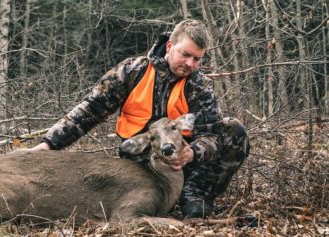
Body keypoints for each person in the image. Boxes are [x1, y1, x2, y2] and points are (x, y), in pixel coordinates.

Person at [31, 19, 250, 218]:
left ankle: (194, 194)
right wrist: (49, 143)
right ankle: (142, 199)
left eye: (197, 59)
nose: (191, 64)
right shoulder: (132, 71)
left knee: (232, 129)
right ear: (170, 46)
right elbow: (91, 109)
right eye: (185, 54)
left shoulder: (199, 86)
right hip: (143, 162)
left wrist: (192, 152)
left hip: (183, 162)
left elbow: (211, 135)